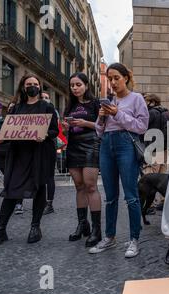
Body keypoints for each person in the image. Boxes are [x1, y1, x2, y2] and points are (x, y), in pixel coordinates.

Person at [0, 74, 58, 247]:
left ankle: (35, 227)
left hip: (39, 154)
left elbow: (54, 130)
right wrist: (1, 138)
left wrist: (46, 135)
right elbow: (7, 131)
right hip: (19, 155)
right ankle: (0, 229)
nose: (32, 86)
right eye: (29, 84)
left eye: (35, 84)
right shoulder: (16, 108)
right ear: (23, 87)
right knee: (11, 189)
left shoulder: (46, 107)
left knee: (39, 188)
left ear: (39, 87)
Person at [90, 63, 149, 257]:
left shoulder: (136, 98)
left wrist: (117, 113)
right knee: (110, 196)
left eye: (117, 78)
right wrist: (100, 118)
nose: (113, 82)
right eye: (110, 79)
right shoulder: (109, 101)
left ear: (126, 78)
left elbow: (141, 126)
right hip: (107, 144)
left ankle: (134, 239)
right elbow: (100, 131)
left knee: (131, 195)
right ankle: (109, 237)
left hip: (126, 144)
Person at [62, 73, 102, 248]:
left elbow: (103, 126)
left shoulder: (96, 104)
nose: (75, 88)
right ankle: (82, 224)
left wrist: (85, 123)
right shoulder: (70, 104)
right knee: (79, 186)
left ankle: (96, 229)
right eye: (72, 85)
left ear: (86, 85)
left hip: (91, 144)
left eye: (78, 84)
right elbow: (66, 131)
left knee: (90, 185)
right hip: (73, 146)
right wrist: (65, 128)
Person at [40, 92, 58, 216]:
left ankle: (49, 203)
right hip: (34, 148)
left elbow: (55, 130)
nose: (44, 99)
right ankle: (40, 202)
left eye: (46, 98)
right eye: (42, 98)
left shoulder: (51, 110)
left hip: (47, 147)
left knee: (49, 176)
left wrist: (46, 135)